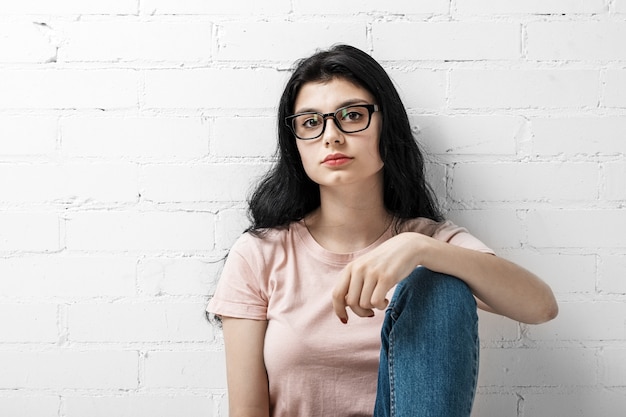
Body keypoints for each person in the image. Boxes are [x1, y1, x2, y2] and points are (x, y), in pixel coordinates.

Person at [207, 44, 558, 417]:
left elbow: (540, 306)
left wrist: (418, 248)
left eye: (352, 115)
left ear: (386, 126)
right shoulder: (261, 254)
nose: (332, 136)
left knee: (438, 283)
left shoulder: (430, 239)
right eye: (311, 122)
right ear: (296, 143)